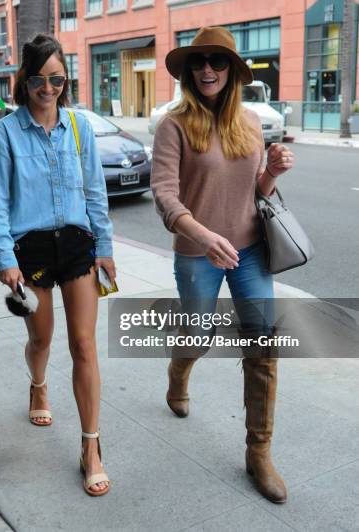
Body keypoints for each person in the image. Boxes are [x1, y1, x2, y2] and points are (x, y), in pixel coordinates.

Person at [151, 26, 294, 504]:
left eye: (217, 61)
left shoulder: (250, 121)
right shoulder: (173, 124)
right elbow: (165, 196)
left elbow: (256, 190)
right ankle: (179, 371)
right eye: (199, 61)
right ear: (189, 72)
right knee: (199, 335)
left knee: (263, 346)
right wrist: (204, 235)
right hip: (199, 253)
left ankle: (259, 452)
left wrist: (271, 171)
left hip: (251, 249)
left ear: (232, 70)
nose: (207, 69)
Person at [0, 33, 115, 497]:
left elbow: (96, 193)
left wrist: (105, 247)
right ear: (25, 79)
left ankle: (90, 447)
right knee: (42, 337)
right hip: (31, 251)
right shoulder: (5, 133)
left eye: (56, 78)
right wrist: (5, 258)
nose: (48, 87)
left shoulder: (78, 128)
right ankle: (38, 384)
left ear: (66, 79)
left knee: (83, 344)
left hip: (78, 243)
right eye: (39, 78)